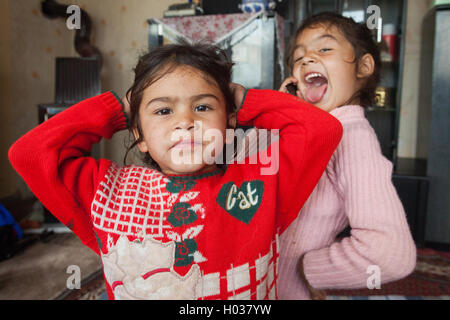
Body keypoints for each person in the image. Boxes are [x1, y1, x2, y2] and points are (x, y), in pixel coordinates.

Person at [9, 42, 342, 300]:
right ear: (138, 134)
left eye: (203, 106)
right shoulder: (107, 194)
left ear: (229, 121)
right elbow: (29, 153)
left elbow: (321, 130)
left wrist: (243, 100)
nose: (185, 122)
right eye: (164, 109)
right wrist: (120, 107)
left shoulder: (262, 184)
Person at [277, 12, 417, 300]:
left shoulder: (350, 136)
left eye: (324, 48)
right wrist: (281, 115)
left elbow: (390, 254)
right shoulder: (311, 128)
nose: (306, 59)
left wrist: (310, 268)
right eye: (298, 56)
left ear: (363, 66)